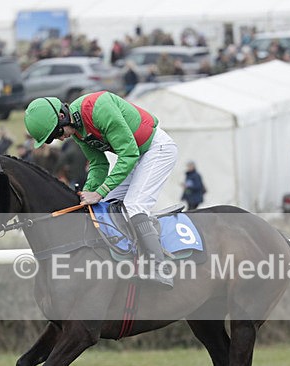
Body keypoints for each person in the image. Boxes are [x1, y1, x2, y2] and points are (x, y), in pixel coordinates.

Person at [24, 93, 178, 288]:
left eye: (56, 133)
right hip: (137, 156)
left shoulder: (98, 109)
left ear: (62, 116)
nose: (60, 140)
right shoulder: (77, 130)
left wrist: (100, 191)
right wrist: (85, 194)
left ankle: (160, 268)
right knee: (105, 206)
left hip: (157, 150)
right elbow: (98, 164)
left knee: (134, 205)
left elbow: (128, 154)